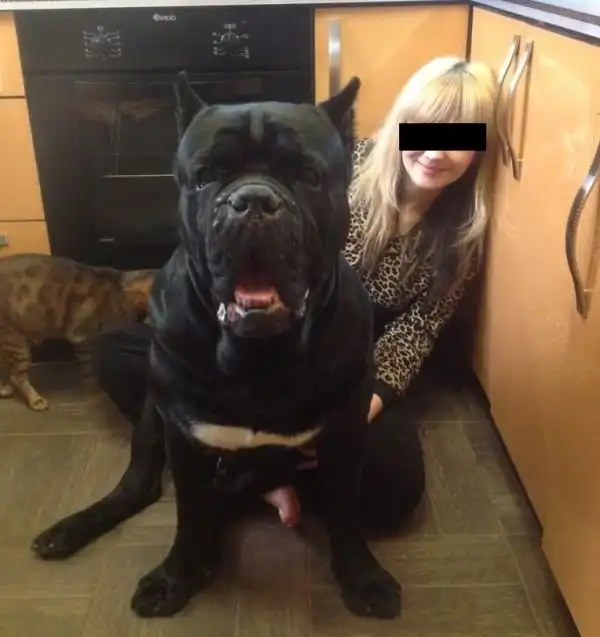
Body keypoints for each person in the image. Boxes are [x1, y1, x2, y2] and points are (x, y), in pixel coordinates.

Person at [93, 56, 498, 534]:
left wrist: (368, 402)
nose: (435, 150)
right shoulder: (336, 165)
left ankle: (250, 467)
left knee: (395, 487)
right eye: (424, 129)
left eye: (460, 136)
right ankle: (259, 470)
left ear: (480, 147)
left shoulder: (463, 234)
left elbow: (417, 330)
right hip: (252, 329)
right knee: (118, 353)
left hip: (343, 366)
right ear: (400, 125)